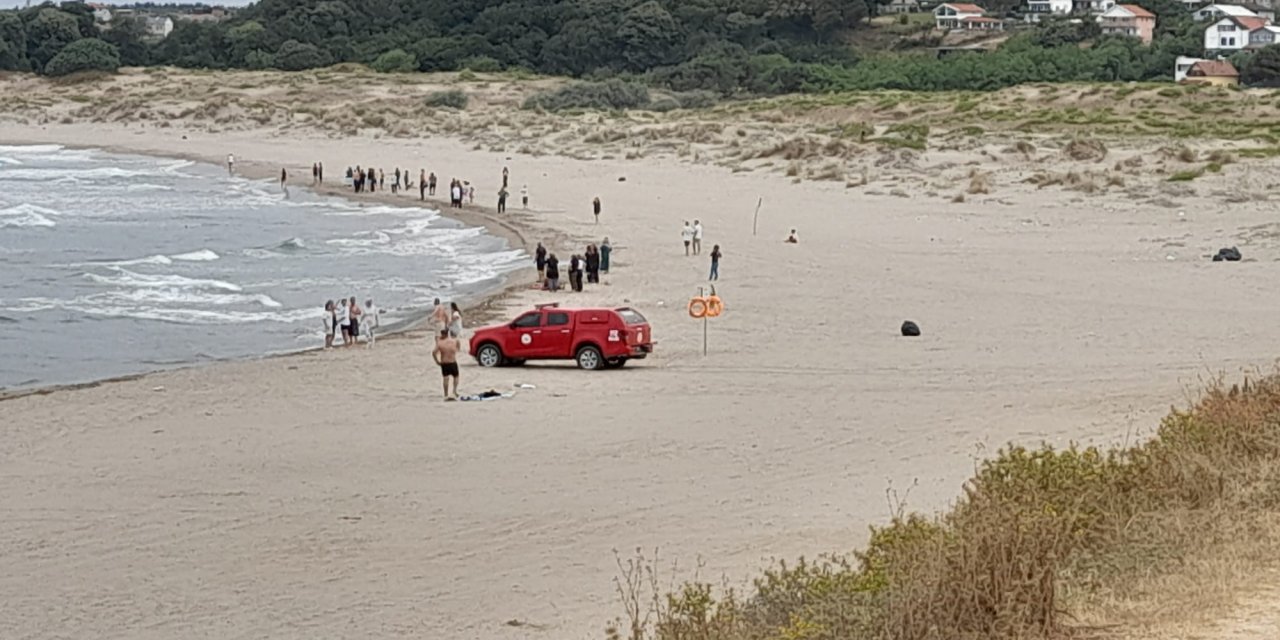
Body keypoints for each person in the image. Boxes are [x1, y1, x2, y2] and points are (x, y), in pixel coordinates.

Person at [433, 329, 461, 401]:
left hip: (444, 363)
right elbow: (458, 347)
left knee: (446, 378)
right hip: (452, 361)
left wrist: (437, 361)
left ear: (442, 334)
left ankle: (446, 394)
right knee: (456, 376)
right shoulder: (454, 341)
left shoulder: (440, 343)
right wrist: (456, 350)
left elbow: (434, 352)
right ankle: (454, 391)